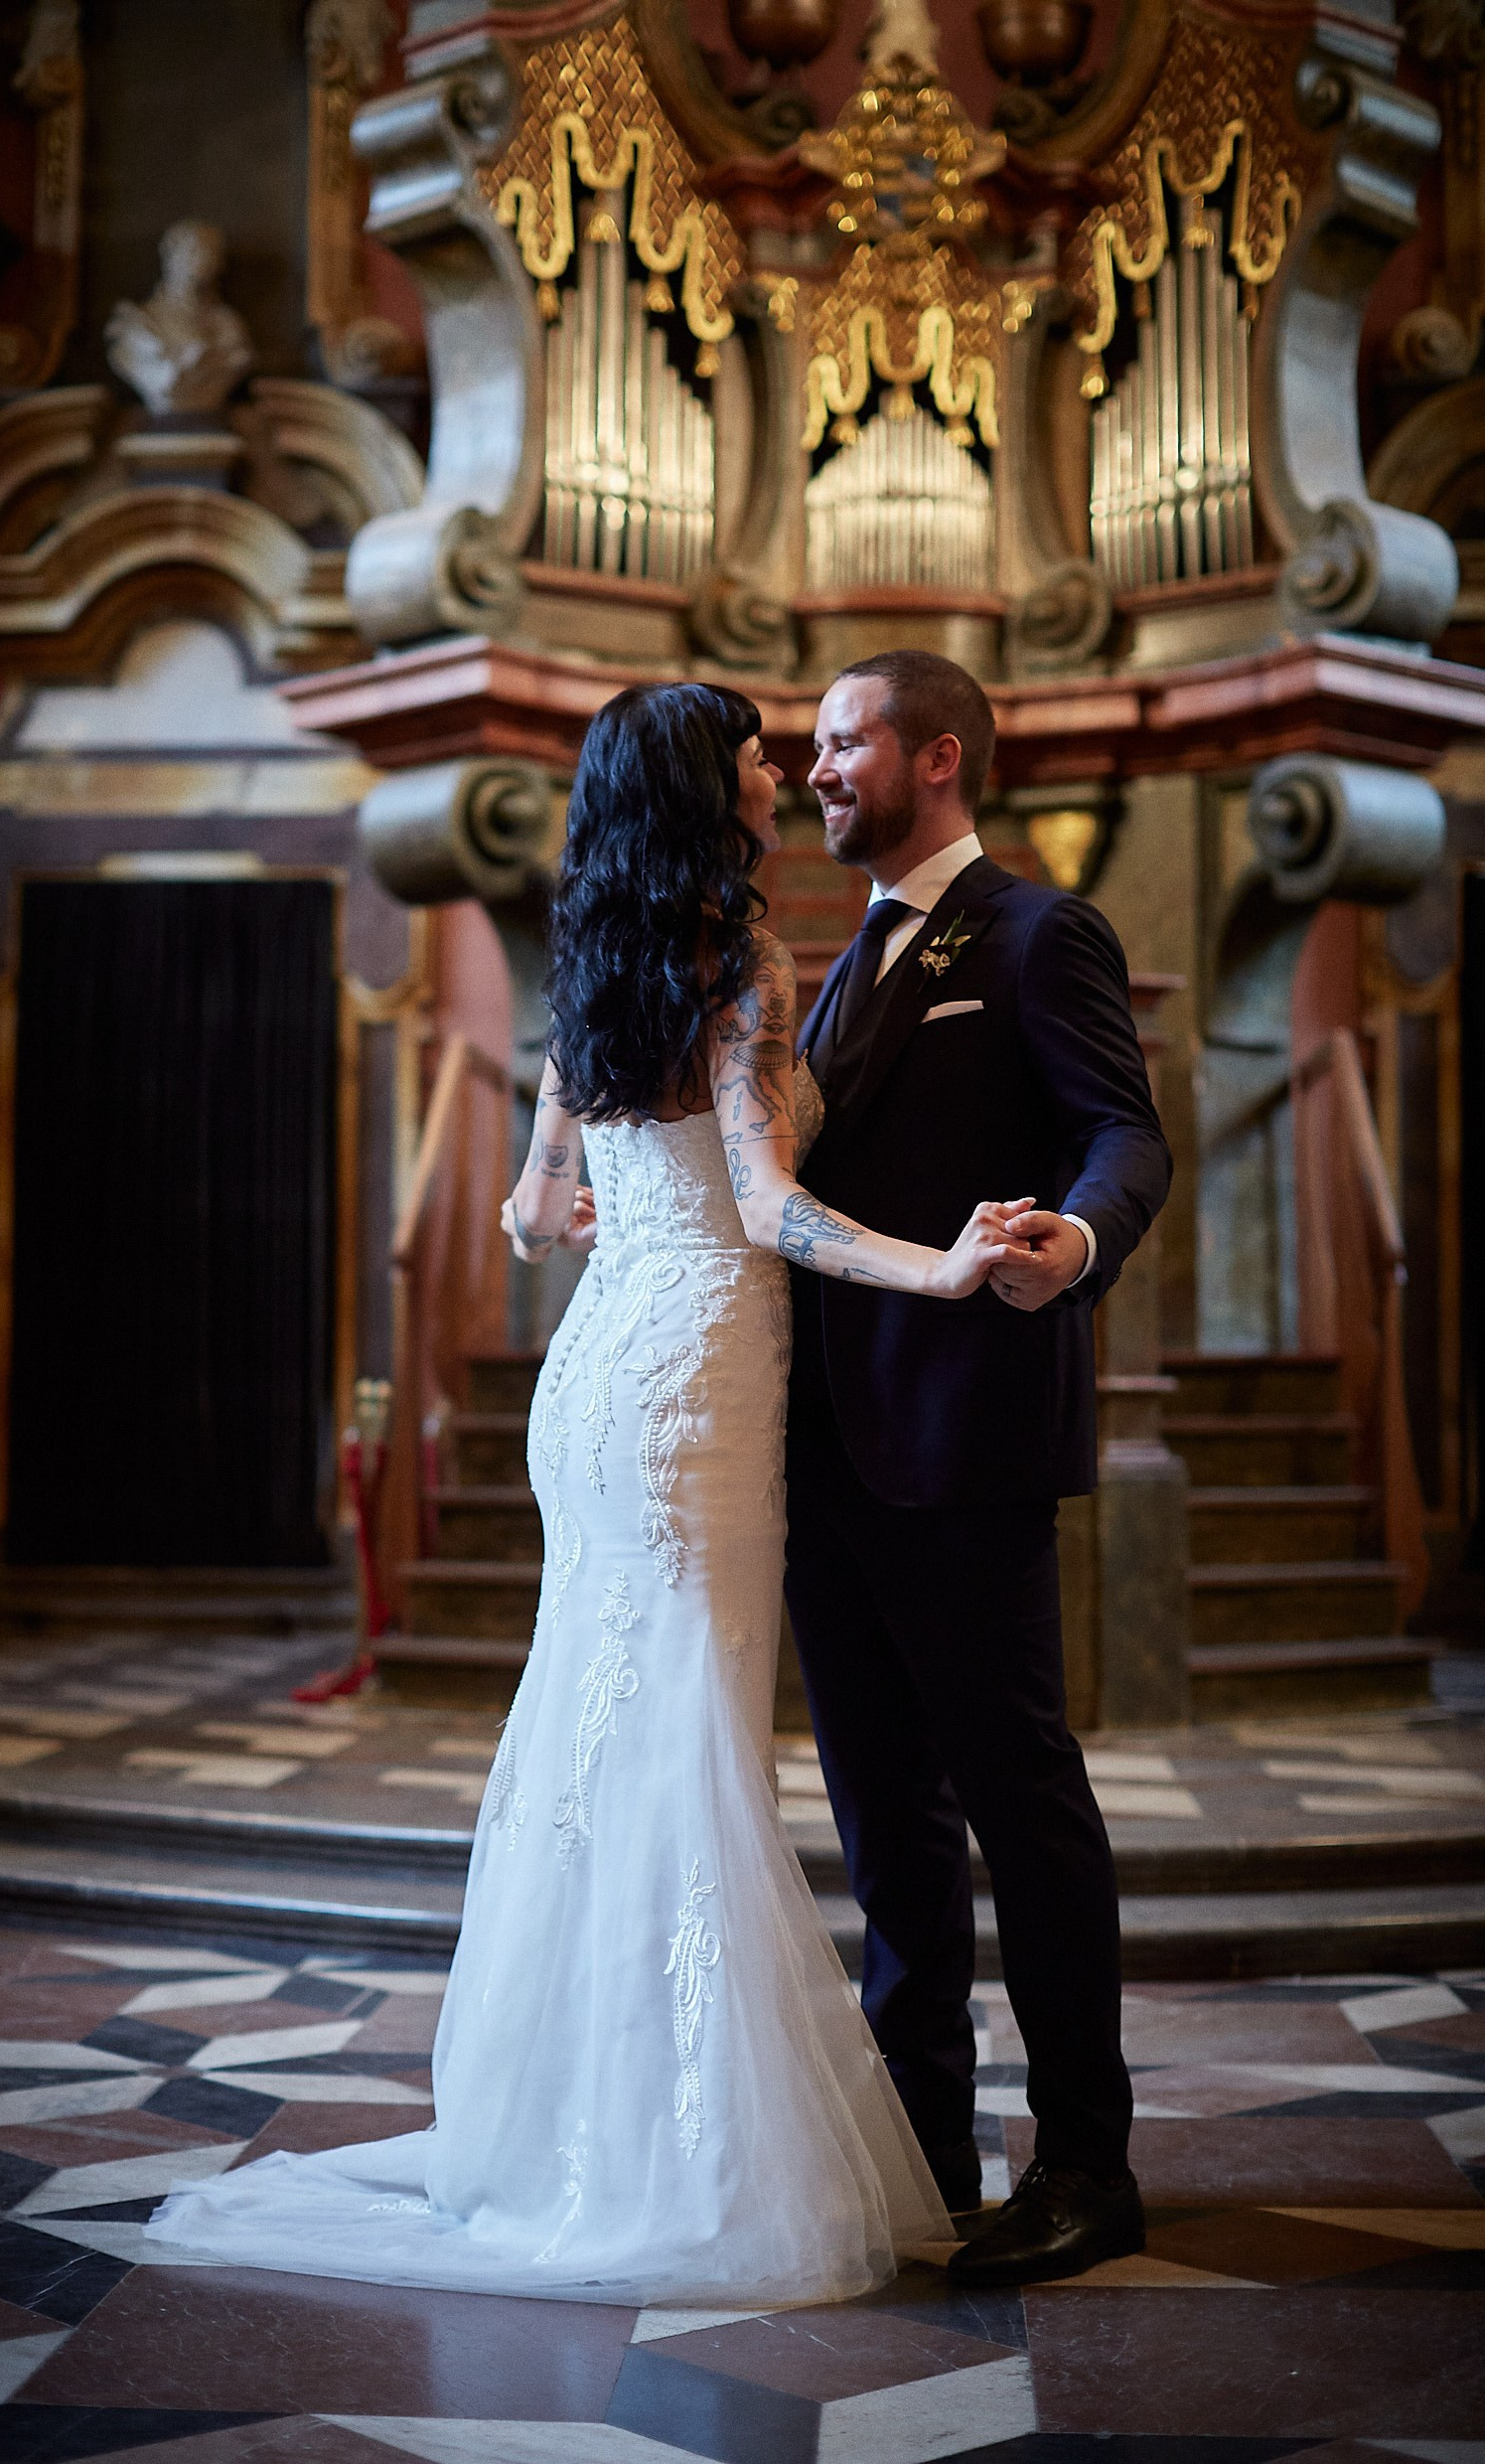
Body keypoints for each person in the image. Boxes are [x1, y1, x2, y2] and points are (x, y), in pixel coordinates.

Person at [146, 680, 1037, 2307]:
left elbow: (522, 1205)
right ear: (711, 791)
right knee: (685, 1739)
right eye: (758, 758)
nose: (779, 774)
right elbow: (768, 1212)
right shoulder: (745, 964)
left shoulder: (593, 963)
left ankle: (563, 2120)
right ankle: (675, 2152)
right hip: (698, 1375)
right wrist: (947, 1266)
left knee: (599, 1730)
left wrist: (605, 1210)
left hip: (597, 1377)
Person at [787, 649, 1172, 2287]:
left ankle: (1084, 2160)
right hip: (824, 1452)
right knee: (882, 1822)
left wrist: (1073, 1239)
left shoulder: (1031, 929)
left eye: (840, 740)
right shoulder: (837, 963)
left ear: (934, 756)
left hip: (963, 1435)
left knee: (1020, 1805)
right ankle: (925, 2147)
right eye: (805, 746)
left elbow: (1125, 1131)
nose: (814, 768)